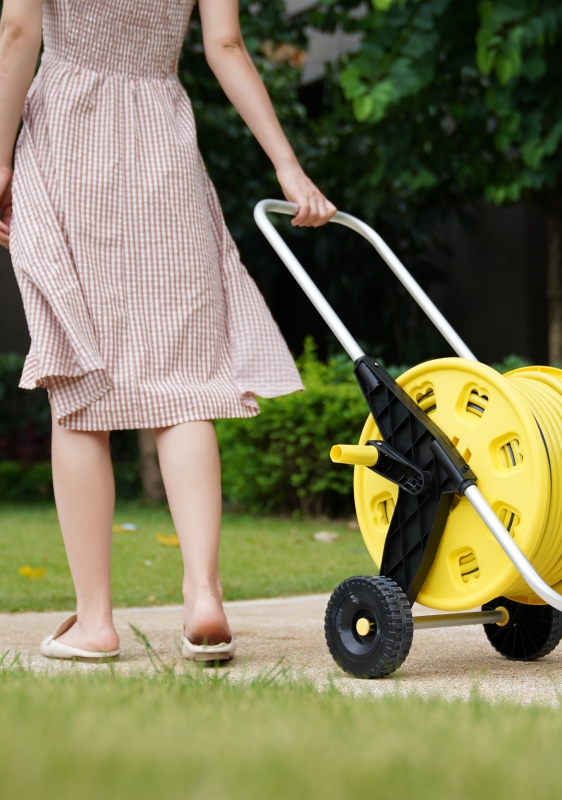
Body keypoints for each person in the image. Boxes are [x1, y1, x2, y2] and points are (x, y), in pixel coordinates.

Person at [0, 0, 336, 663]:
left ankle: (96, 621)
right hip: (163, 140)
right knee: (185, 383)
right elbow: (226, 46)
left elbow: (17, 31)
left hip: (67, 134)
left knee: (76, 377)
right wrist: (288, 167)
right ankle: (204, 597)